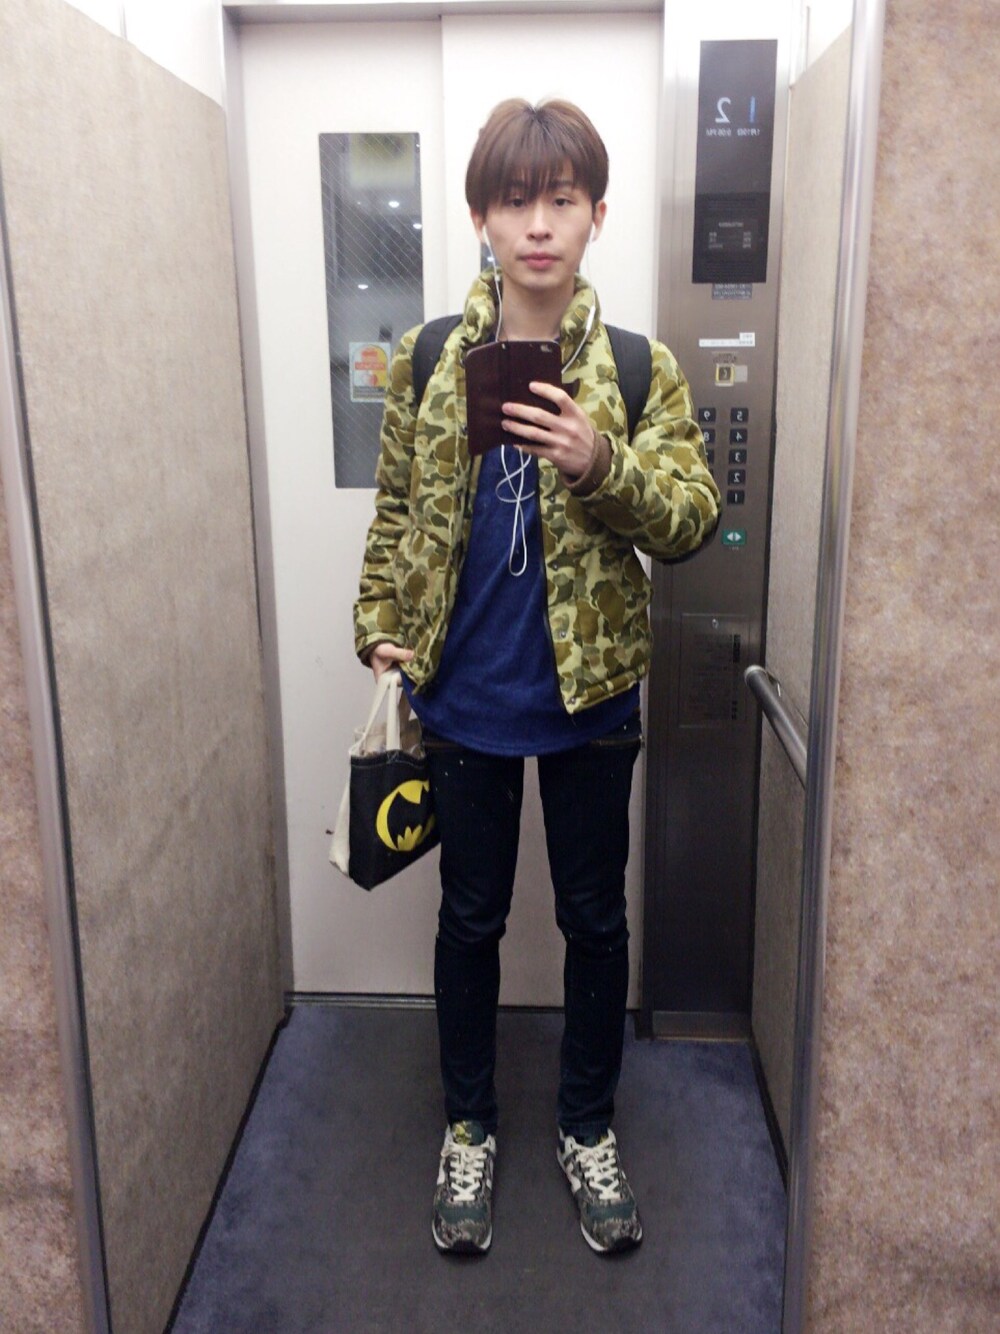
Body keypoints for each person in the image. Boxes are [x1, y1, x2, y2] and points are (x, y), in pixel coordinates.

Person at [354, 98, 720, 1256]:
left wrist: (598, 460)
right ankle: (468, 1123)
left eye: (562, 199)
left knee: (593, 919)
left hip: (592, 701)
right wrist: (380, 625)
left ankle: (585, 1123)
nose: (539, 225)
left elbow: (692, 520)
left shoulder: (637, 365)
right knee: (468, 918)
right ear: (481, 217)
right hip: (463, 695)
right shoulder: (428, 358)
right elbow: (396, 510)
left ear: (597, 213)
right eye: (515, 201)